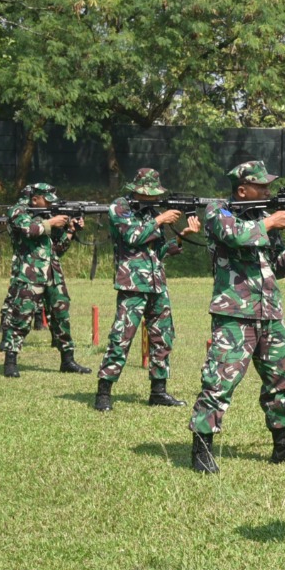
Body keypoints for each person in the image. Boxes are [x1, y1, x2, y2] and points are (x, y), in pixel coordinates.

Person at [186, 161, 285, 474]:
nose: (268, 191)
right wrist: (271, 223)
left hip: (270, 312)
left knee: (281, 380)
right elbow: (233, 235)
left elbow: (276, 267)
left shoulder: (264, 218)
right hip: (235, 314)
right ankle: (202, 448)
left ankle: (284, 445)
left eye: (268, 185)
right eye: (261, 187)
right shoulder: (216, 210)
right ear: (242, 189)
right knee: (220, 380)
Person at [94, 168, 200, 411]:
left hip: (156, 284)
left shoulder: (151, 212)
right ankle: (104, 392)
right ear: (136, 190)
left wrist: (181, 237)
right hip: (132, 284)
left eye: (155, 195)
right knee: (121, 337)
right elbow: (132, 236)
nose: (153, 199)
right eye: (149, 194)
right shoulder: (120, 208)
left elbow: (158, 252)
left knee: (162, 337)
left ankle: (158, 391)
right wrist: (160, 219)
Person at [0, 183, 89, 378]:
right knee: (21, 318)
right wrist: (52, 223)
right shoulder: (18, 211)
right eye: (47, 200)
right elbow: (29, 230)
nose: (50, 205)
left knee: (61, 318)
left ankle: (67, 360)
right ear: (35, 199)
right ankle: (11, 361)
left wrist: (71, 230)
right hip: (29, 274)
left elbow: (58, 249)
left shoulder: (47, 216)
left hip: (52, 274)